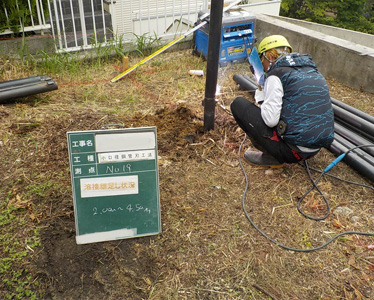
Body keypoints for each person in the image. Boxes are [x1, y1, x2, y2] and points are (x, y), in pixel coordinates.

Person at [230, 35, 334, 167]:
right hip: (315, 148)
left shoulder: (276, 75)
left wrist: (261, 88)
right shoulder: (311, 70)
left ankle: (272, 157)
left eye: (262, 62)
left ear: (270, 57)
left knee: (238, 104)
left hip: (293, 151)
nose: (263, 67)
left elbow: (270, 120)